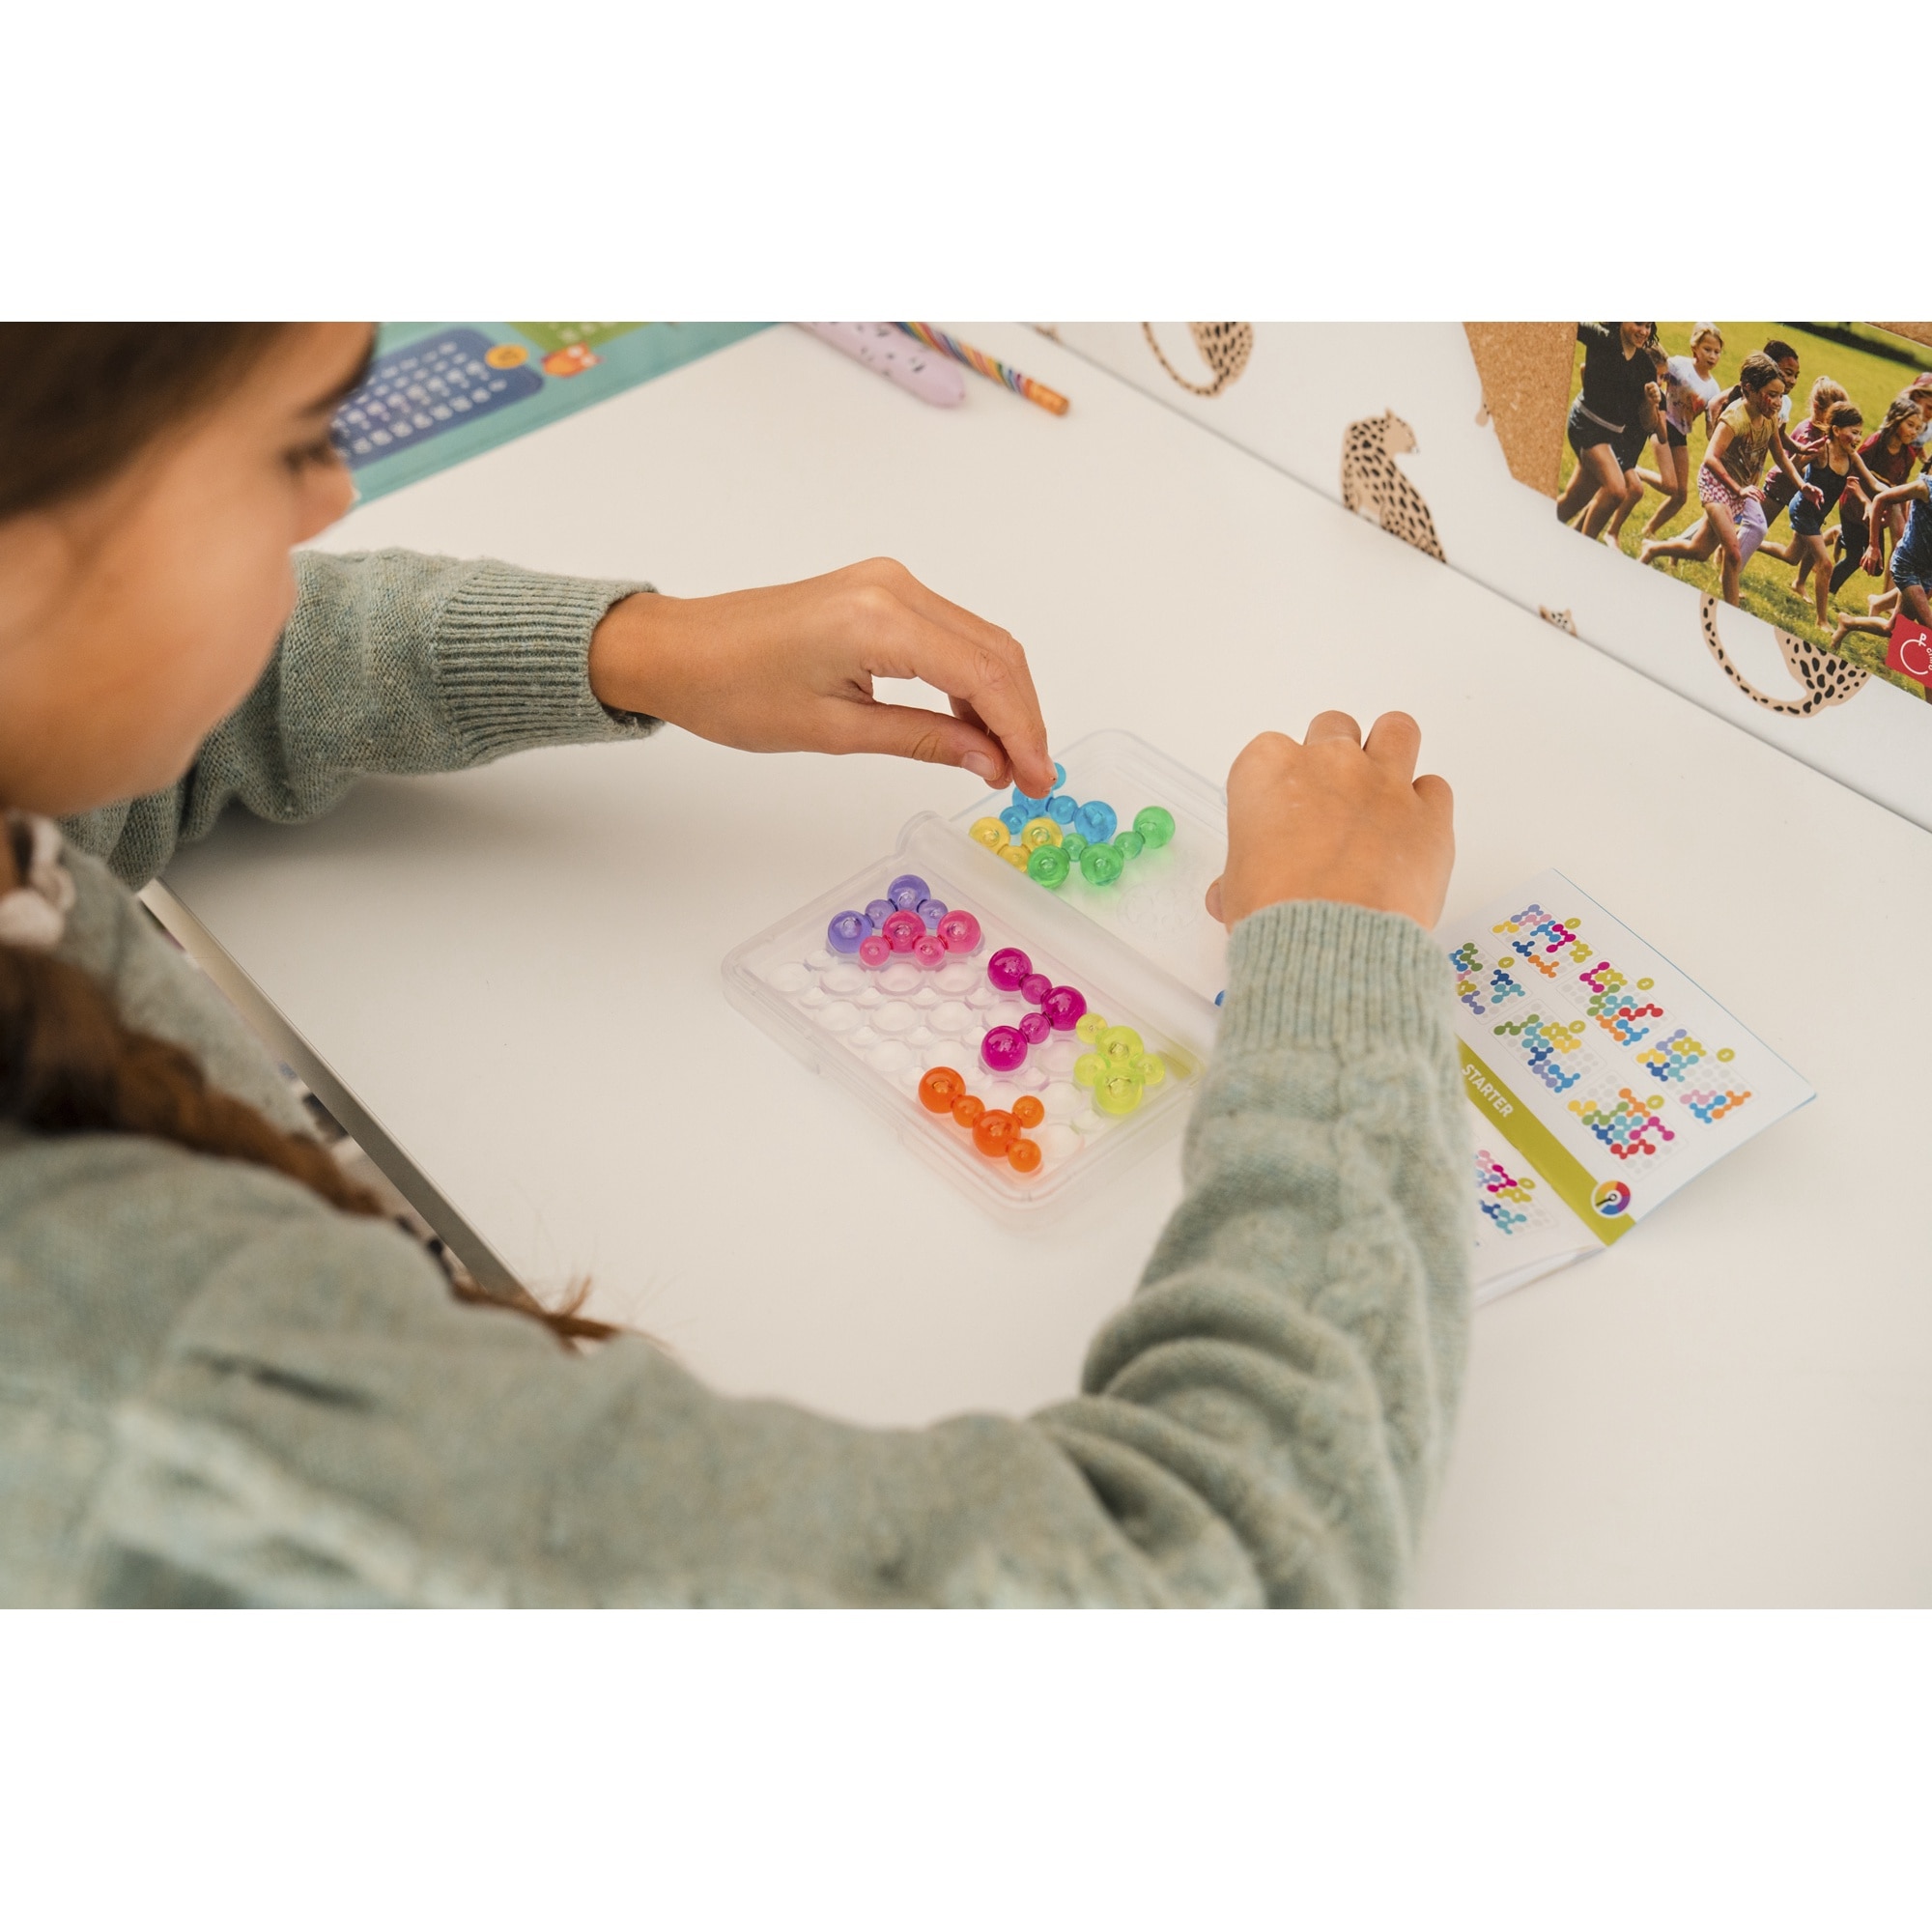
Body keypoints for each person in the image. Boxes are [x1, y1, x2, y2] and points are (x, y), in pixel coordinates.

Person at [0, 325, 1466, 1608]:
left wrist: (638, 647)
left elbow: (186, 683)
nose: (334, 497)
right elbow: (1206, 1575)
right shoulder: (176, 1398)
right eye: (285, 446)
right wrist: (1335, 950)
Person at [1638, 353, 1821, 605]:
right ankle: (1730, 610)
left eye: (1781, 396)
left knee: (1700, 550)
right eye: (1772, 394)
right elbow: (1710, 459)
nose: (1778, 402)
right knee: (1733, 554)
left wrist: (1802, 485)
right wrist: (1739, 489)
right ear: (1750, 389)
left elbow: (1779, 455)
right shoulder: (1735, 418)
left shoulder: (1769, 417)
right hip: (1716, 484)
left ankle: (1653, 547)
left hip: (1740, 489)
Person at [1776, 404, 1883, 626]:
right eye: (1854, 432)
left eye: (1860, 433)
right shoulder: (1821, 450)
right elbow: (1791, 467)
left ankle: (1746, 541)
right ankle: (1822, 621)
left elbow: (1874, 484)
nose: (1858, 438)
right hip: (1803, 510)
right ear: (1836, 430)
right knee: (1825, 564)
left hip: (1818, 514)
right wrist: (1802, 459)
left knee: (1791, 556)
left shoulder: (1852, 457)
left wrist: (1903, 494)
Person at [1554, 323, 1661, 541]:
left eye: (1648, 325)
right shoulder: (1601, 339)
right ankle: (1582, 549)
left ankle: (1534, 525)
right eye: (1638, 323)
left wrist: (1650, 403)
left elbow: (1648, 424)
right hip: (1586, 424)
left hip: (1610, 438)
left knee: (1573, 501)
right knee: (1616, 490)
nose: (1644, 331)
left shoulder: (1645, 366)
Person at [1634, 324, 1725, 543]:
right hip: (1661, 424)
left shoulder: (1713, 388)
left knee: (1680, 496)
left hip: (1681, 434)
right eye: (1707, 349)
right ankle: (1634, 471)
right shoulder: (1677, 365)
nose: (1712, 356)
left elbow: (1710, 425)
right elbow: (1654, 370)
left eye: (1717, 351)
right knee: (1669, 485)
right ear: (1695, 348)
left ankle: (1648, 530)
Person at [1832, 396, 1926, 598]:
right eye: (1910, 425)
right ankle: (1827, 588)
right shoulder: (1875, 443)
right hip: (1854, 505)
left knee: (1876, 568)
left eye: (1918, 428)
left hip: (1876, 512)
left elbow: (1899, 489)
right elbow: (1851, 476)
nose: (1914, 432)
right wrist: (1865, 502)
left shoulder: (1908, 455)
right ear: (1895, 419)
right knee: (1855, 558)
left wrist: (1901, 515)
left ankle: (1842, 537)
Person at [1754, 376, 1849, 574]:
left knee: (1793, 556)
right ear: (1817, 408)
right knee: (1753, 531)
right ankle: (1726, 548)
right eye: (1835, 416)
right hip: (1780, 487)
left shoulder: (1826, 433)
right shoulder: (1808, 433)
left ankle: (1742, 542)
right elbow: (1796, 465)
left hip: (1801, 497)